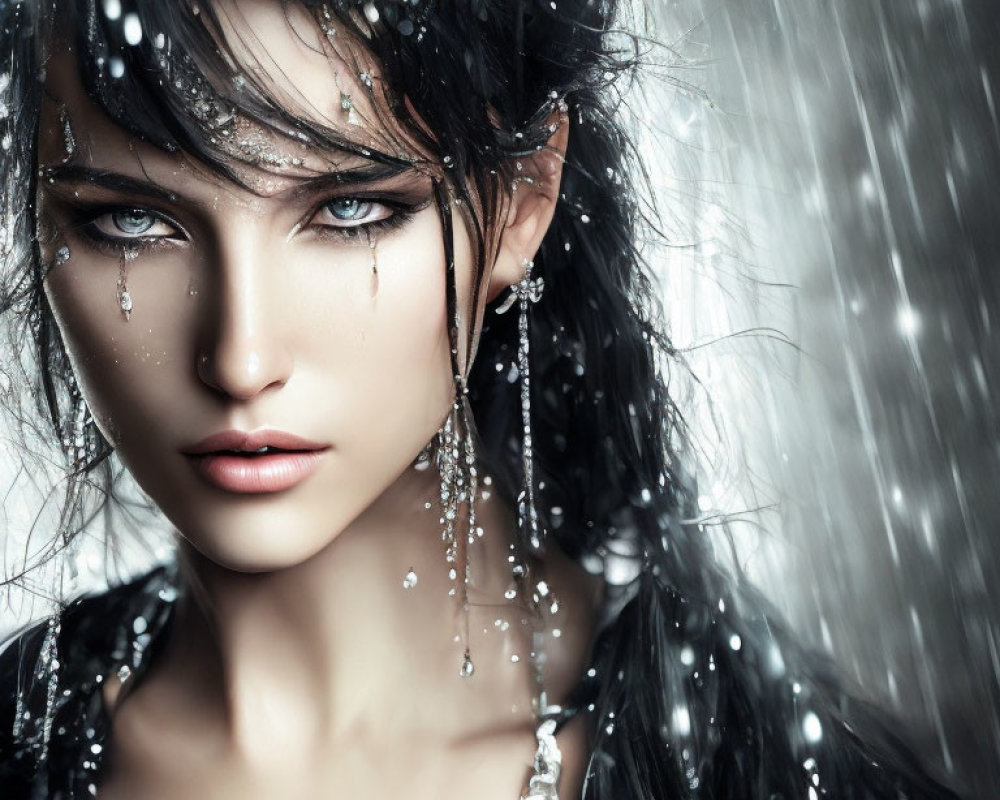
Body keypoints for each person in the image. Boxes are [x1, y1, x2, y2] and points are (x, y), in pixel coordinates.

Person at [0, 0, 965, 798]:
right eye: (130, 220)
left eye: (349, 210)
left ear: (521, 198)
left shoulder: (771, 773)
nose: (241, 359)